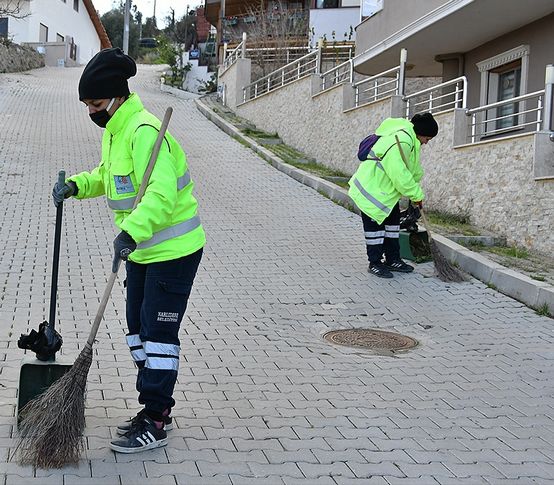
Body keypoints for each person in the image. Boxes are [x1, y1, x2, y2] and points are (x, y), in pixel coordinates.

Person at [52, 48, 206, 453]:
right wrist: (77, 186)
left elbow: (160, 194)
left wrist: (131, 232)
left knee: (157, 335)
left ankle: (157, 418)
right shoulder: (116, 132)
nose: (92, 112)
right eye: (86, 105)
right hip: (140, 251)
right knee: (137, 332)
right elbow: (109, 177)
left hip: (172, 253)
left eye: (97, 104)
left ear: (117, 97)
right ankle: (151, 405)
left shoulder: (144, 132)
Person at [348, 112, 438, 278]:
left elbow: (412, 170)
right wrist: (415, 193)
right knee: (375, 230)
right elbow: (399, 174)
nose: (427, 142)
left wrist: (415, 194)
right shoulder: (402, 141)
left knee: (392, 226)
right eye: (427, 138)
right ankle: (375, 262)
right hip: (372, 192)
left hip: (386, 193)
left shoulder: (411, 141)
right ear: (421, 133)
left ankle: (393, 259)